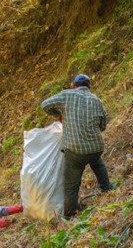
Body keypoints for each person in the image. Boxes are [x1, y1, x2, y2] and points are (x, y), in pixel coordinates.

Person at [41, 74, 113, 219]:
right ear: (89, 87)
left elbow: (45, 105)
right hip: (96, 148)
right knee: (96, 162)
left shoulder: (67, 95)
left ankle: (69, 215)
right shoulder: (97, 101)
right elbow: (103, 126)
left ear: (73, 86)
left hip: (75, 151)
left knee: (71, 184)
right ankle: (107, 189)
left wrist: (59, 114)